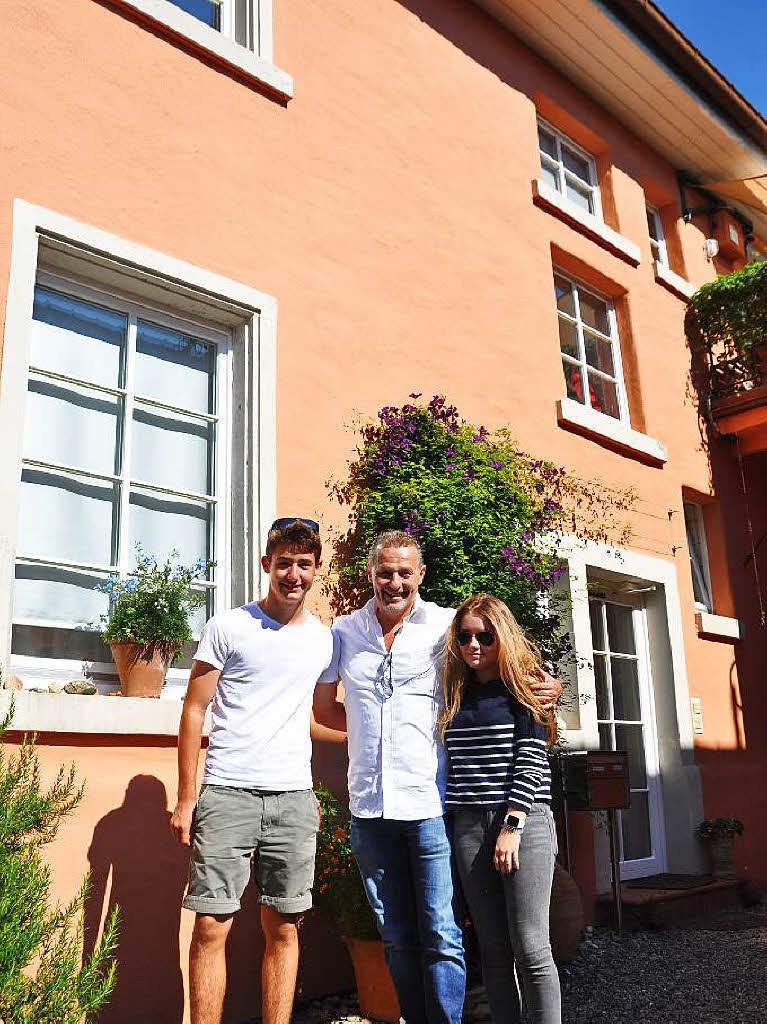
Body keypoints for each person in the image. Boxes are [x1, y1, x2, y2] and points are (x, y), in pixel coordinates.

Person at [313, 531, 561, 1024]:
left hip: (430, 803)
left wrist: (550, 685)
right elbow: (324, 710)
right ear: (371, 574)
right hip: (370, 807)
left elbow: (508, 662)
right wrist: (367, 738)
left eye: (405, 572)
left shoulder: (448, 627)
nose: (395, 581)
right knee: (396, 935)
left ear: (420, 575)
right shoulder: (343, 631)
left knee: (445, 931)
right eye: (385, 572)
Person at [170, 518, 333, 1024]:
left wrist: (385, 734)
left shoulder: (324, 641)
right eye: (283, 563)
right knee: (211, 926)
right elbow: (195, 710)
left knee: (285, 928)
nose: (293, 574)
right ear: (266, 565)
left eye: (304, 564)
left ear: (316, 570)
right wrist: (186, 796)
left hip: (293, 799)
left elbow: (323, 716)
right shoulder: (229, 626)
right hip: (227, 792)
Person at [440, 594, 561, 1024]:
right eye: (466, 636)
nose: (475, 645)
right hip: (469, 825)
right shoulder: (455, 693)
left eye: (485, 637)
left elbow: (531, 757)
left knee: (531, 945)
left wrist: (512, 824)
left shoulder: (523, 689)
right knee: (491, 947)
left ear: (502, 637)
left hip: (523, 823)